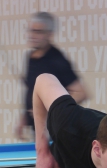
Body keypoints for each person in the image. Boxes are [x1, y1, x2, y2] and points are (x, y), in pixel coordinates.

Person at [16, 12, 88, 140]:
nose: (32, 35)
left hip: (57, 132)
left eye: (38, 32)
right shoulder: (31, 57)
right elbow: (32, 91)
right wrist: (24, 120)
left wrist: (48, 108)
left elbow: (81, 93)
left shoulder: (57, 60)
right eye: (31, 30)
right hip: (38, 129)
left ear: (49, 34)